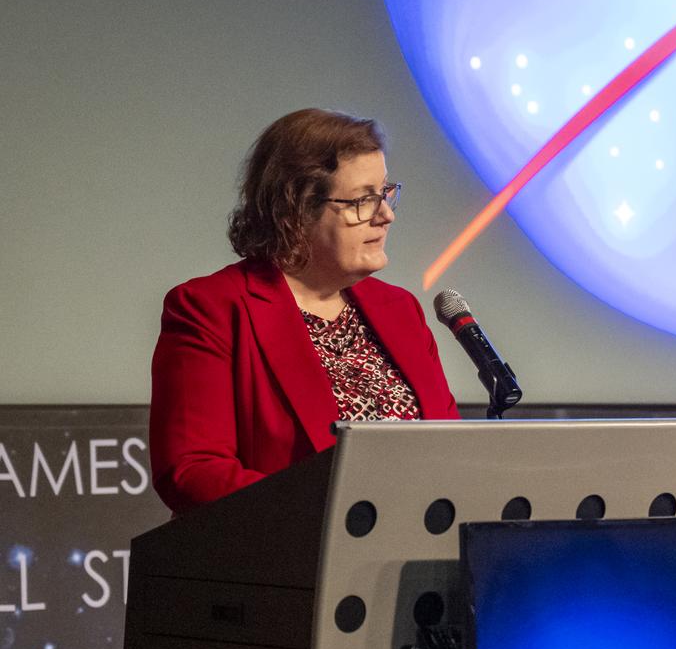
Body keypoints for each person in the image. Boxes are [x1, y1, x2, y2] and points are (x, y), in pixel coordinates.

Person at [149, 108, 459, 513]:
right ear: (296, 209)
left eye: (385, 193)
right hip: (288, 561)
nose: (386, 215)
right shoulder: (212, 309)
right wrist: (337, 515)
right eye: (363, 200)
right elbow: (192, 470)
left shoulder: (399, 310)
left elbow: (448, 447)